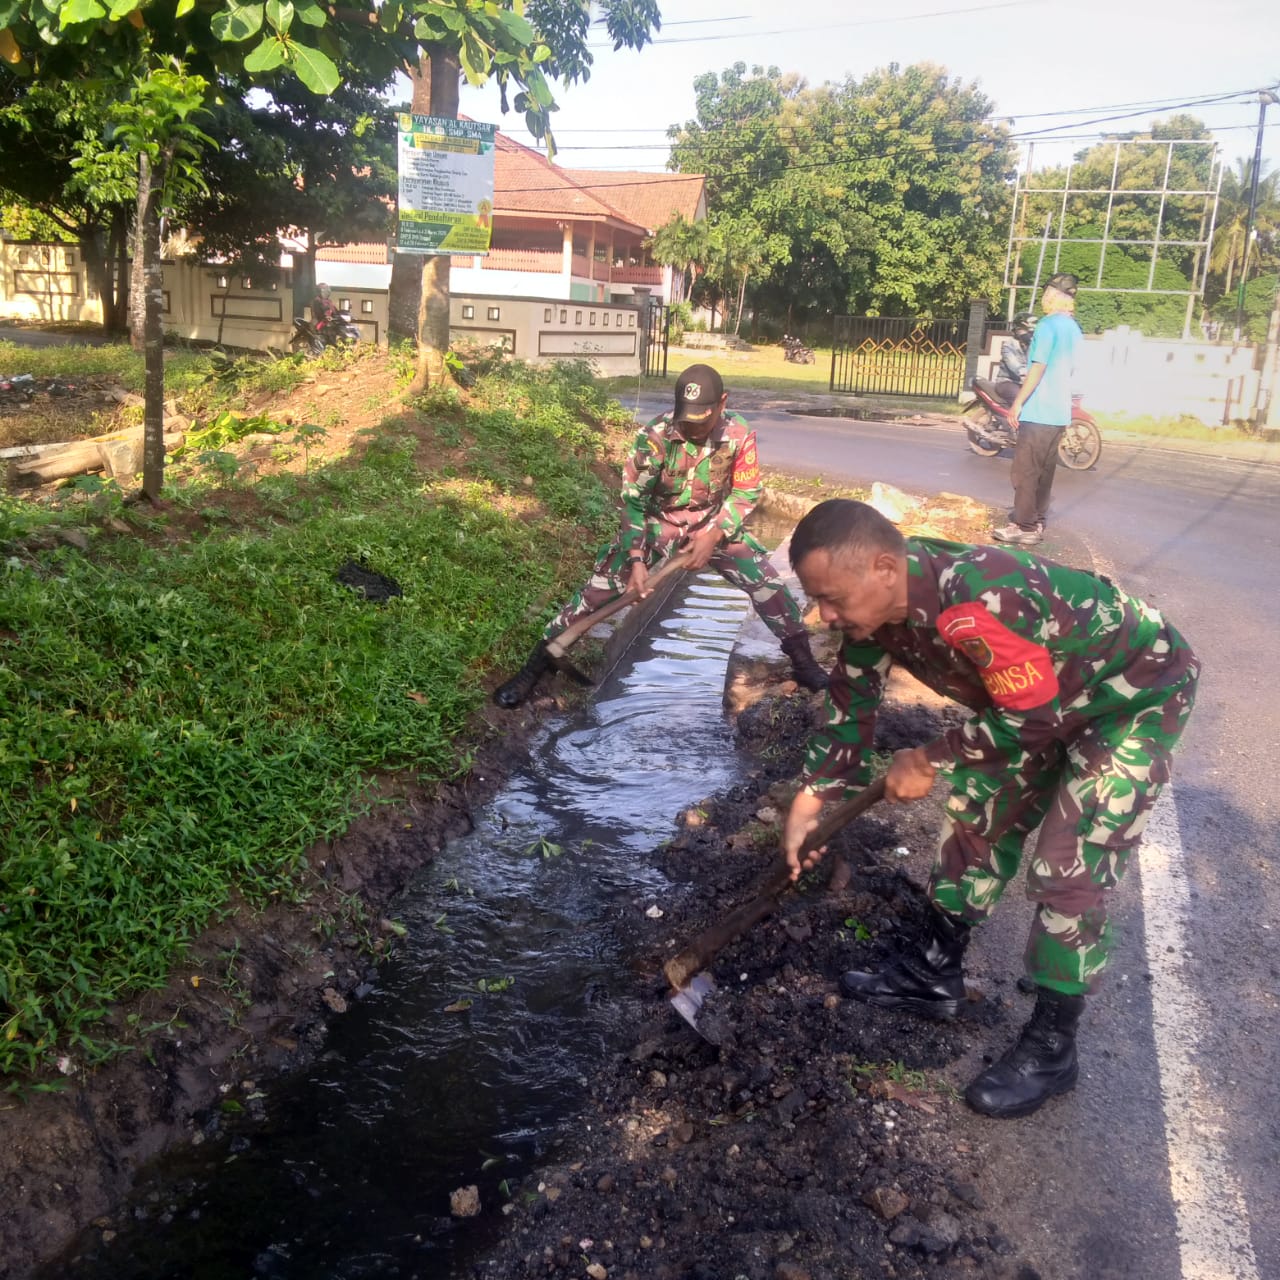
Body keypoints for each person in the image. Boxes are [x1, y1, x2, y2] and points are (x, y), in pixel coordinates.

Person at [781, 499, 1198, 1119]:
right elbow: (851, 706)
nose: (824, 614)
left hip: (1128, 698)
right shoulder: (874, 616)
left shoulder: (977, 600)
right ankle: (933, 975)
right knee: (976, 817)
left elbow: (1031, 717)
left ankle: (1054, 1045)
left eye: (832, 598)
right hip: (1038, 700)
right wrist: (809, 801)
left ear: (884, 568)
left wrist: (927, 757)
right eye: (816, 599)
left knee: (1070, 863)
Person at [492, 363, 829, 708]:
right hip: (657, 524)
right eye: (688, 419)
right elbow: (633, 504)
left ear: (722, 403)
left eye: (703, 419)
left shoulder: (739, 435)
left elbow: (746, 493)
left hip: (714, 524)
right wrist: (637, 560)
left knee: (767, 583)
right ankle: (536, 665)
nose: (693, 428)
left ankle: (805, 664)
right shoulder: (654, 437)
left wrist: (713, 535)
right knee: (598, 591)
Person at [992, 274, 1083, 547]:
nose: (1044, 297)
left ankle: (1024, 526)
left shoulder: (1046, 326)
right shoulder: (1074, 329)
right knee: (1045, 471)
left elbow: (1038, 367)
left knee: (1024, 472)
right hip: (1058, 413)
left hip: (1039, 410)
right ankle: (1038, 518)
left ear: (1053, 296)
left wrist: (1018, 403)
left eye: (1046, 293)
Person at [992, 313, 1036, 407]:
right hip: (1007, 382)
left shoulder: (1033, 345)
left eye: (1030, 331)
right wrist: (1028, 375)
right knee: (1020, 397)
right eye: (1022, 330)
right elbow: (1015, 367)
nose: (1026, 333)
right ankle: (1015, 419)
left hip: (1027, 382)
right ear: (1016, 329)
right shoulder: (1008, 345)